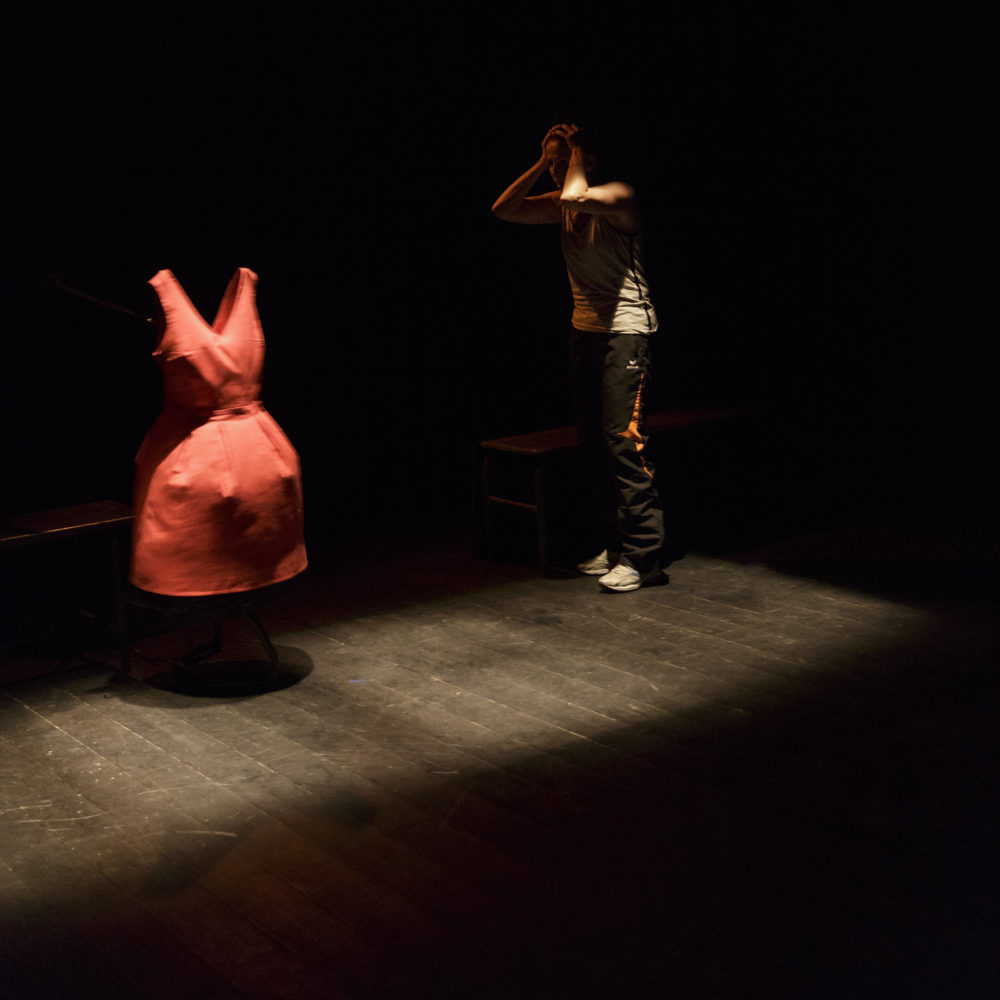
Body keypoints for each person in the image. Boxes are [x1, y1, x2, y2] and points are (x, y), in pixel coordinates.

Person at [492, 122, 665, 592]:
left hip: (626, 332)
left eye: (561, 160)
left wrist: (574, 152)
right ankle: (615, 545)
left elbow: (575, 196)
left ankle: (643, 557)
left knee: (623, 442)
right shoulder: (563, 203)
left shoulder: (619, 195)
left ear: (589, 159)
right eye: (550, 161)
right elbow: (504, 209)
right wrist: (540, 161)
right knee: (593, 444)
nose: (555, 169)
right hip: (585, 331)